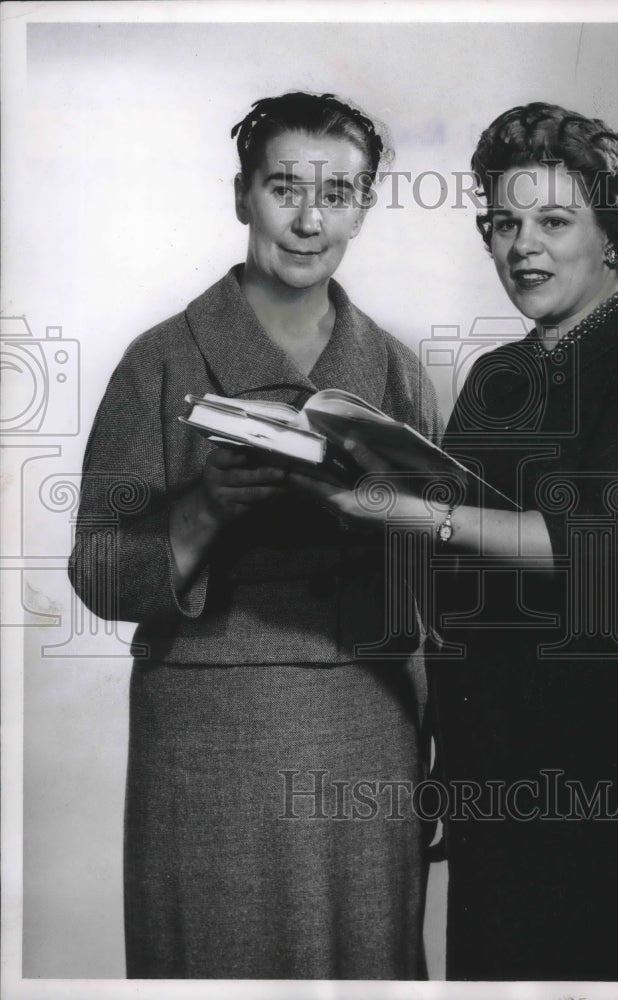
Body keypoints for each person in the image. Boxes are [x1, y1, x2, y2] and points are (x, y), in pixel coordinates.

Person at [294, 101, 618, 983]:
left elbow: (591, 549)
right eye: (504, 223)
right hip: (496, 744)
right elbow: (455, 568)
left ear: (611, 233)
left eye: (554, 221)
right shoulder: (500, 376)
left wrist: (408, 511)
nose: (522, 246)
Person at [68, 92, 440, 980]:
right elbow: (93, 569)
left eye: (339, 194)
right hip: (206, 734)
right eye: (285, 189)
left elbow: (434, 588)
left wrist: (444, 747)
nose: (311, 220)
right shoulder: (159, 362)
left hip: (370, 726)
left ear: (364, 206)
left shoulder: (394, 369)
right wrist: (205, 508)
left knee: (366, 965)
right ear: (242, 197)